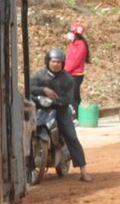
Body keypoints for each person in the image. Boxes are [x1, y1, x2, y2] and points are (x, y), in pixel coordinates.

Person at [29, 47, 91, 181]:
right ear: (48, 61)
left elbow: (68, 98)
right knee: (25, 135)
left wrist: (56, 101)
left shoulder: (68, 79)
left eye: (59, 62)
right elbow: (29, 88)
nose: (56, 64)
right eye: (53, 61)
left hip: (60, 111)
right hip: (41, 109)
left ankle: (83, 171)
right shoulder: (40, 75)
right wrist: (43, 90)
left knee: (71, 136)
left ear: (63, 64)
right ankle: (26, 170)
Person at [64, 22, 90, 93]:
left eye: (70, 32)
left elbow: (75, 61)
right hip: (70, 74)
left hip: (75, 75)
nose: (68, 34)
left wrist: (64, 71)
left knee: (73, 97)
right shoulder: (73, 44)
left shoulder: (80, 45)